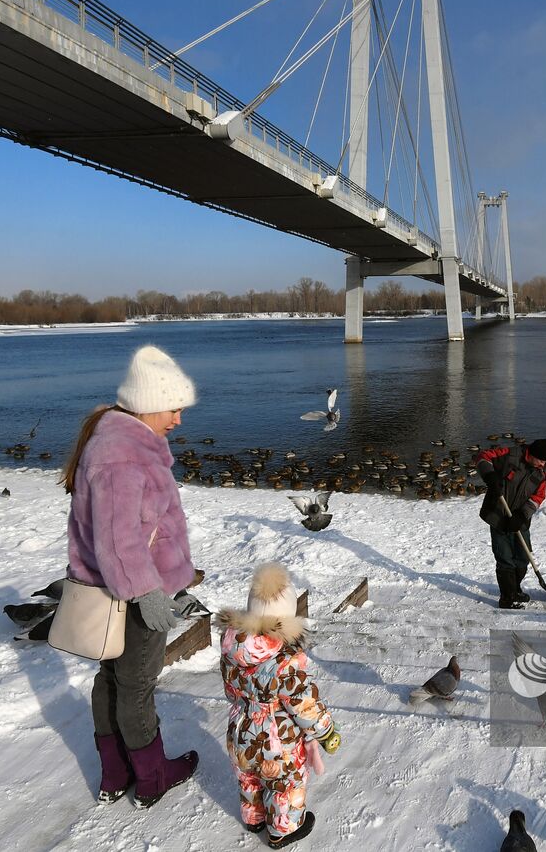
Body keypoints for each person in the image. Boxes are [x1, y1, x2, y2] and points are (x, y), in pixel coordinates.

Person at [62, 343, 199, 808]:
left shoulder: (121, 441)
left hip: (111, 590)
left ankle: (115, 773)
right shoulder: (122, 453)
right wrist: (148, 593)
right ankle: (152, 774)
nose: (179, 419)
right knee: (136, 684)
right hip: (130, 593)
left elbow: (134, 530)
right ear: (147, 404)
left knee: (112, 679)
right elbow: (119, 540)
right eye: (174, 409)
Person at [219, 562, 340, 848]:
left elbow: (229, 688)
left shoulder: (230, 648)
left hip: (239, 732)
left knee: (249, 778)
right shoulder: (284, 661)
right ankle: (283, 830)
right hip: (277, 743)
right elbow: (304, 704)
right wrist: (326, 732)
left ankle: (253, 817)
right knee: (284, 785)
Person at [475, 438, 546, 608]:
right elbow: (483, 457)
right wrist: (490, 475)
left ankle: (515, 589)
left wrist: (522, 515)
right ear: (531, 455)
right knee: (505, 559)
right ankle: (507, 598)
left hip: (519, 521)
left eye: (545, 461)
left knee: (523, 557)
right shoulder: (510, 455)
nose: (543, 464)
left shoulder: (540, 474)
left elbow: (538, 498)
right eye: (541, 459)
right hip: (498, 515)